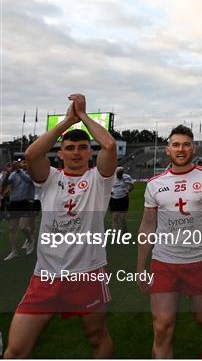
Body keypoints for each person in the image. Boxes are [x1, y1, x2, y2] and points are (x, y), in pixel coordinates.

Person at [4, 94, 117, 359]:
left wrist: (84, 116)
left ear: (89, 151)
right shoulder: (49, 178)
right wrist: (67, 121)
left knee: (97, 338)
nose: (76, 152)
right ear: (61, 152)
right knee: (16, 351)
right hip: (46, 275)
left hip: (87, 273)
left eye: (82, 148)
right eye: (70, 148)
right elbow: (32, 153)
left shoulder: (98, 180)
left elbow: (109, 145)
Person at [136, 125, 202, 359]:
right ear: (168, 150)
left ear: (194, 148)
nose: (181, 149)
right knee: (161, 326)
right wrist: (140, 266)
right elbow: (148, 225)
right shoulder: (155, 184)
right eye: (176, 145)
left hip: (198, 260)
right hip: (164, 262)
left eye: (186, 144)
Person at [3, 160, 36, 260]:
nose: (23, 164)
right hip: (14, 203)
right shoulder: (14, 174)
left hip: (26, 202)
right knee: (12, 228)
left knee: (23, 226)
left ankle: (30, 240)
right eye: (22, 162)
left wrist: (19, 170)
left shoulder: (33, 173)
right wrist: (7, 173)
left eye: (26, 162)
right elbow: (5, 183)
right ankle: (14, 251)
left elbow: (28, 180)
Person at [109, 167, 134, 232]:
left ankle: (125, 231)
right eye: (118, 173)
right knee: (115, 217)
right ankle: (115, 233)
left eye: (120, 173)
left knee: (122, 218)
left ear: (122, 173)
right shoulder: (111, 177)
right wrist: (109, 191)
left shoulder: (127, 177)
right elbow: (106, 186)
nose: (119, 175)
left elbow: (131, 185)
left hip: (123, 199)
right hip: (114, 199)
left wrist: (128, 190)